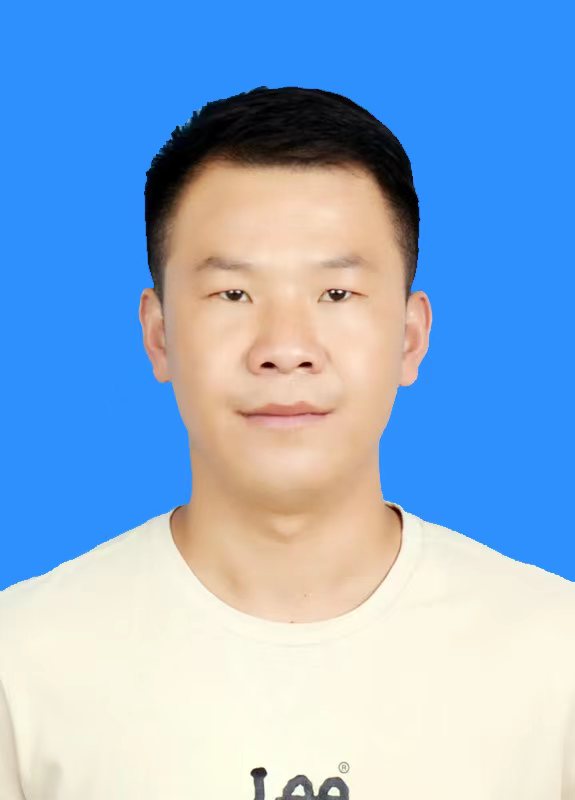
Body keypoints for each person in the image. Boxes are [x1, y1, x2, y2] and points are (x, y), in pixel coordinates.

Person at [0, 85, 573, 799]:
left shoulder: (555, 658)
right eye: (233, 294)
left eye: (336, 294)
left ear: (409, 336)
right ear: (159, 335)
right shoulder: (23, 662)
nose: (285, 348)